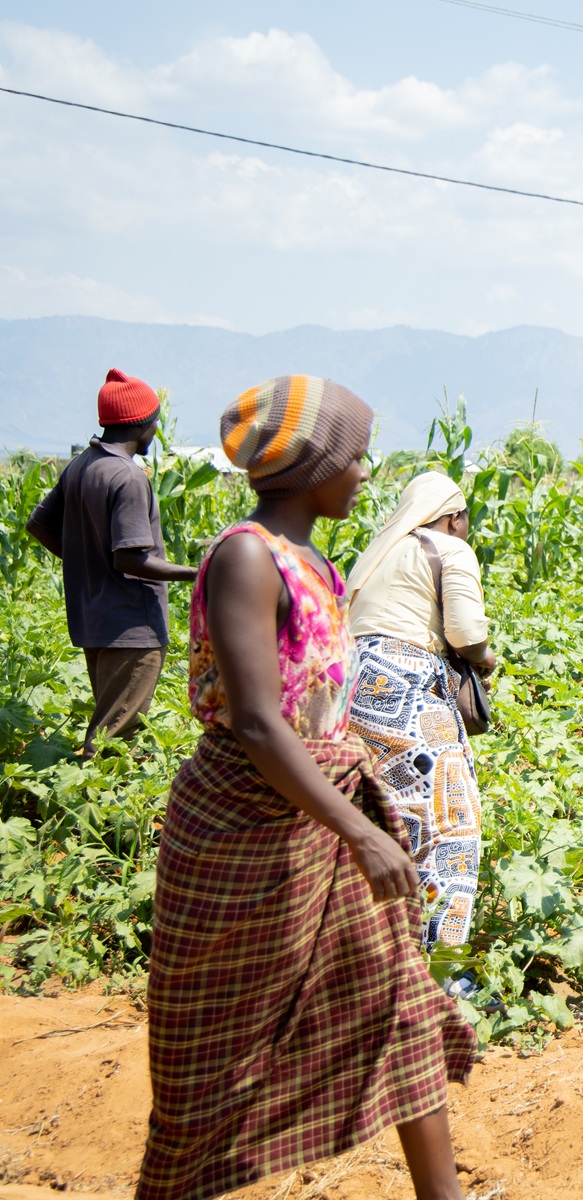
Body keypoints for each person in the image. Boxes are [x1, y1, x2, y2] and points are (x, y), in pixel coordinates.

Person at [139, 376, 474, 1200]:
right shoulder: (246, 555)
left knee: (398, 1001)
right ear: (313, 462)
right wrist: (360, 833)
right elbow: (256, 722)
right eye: (356, 454)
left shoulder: (315, 559)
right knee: (212, 1049)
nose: (366, 471)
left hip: (321, 808)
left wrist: (361, 815)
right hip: (248, 822)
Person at [346, 471, 497, 952]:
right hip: (407, 685)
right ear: (453, 518)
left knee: (386, 814)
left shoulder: (379, 553)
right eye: (466, 519)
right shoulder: (449, 548)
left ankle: (377, 950)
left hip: (351, 684)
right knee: (452, 823)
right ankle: (442, 960)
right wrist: (486, 662)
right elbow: (467, 633)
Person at [26, 369, 198, 753]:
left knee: (111, 726)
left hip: (95, 620)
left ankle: (97, 802)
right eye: (156, 420)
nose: (156, 429)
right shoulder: (127, 477)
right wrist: (196, 573)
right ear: (144, 423)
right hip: (131, 625)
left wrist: (84, 561)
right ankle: (82, 804)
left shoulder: (82, 465)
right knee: (112, 738)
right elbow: (130, 559)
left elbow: (38, 524)